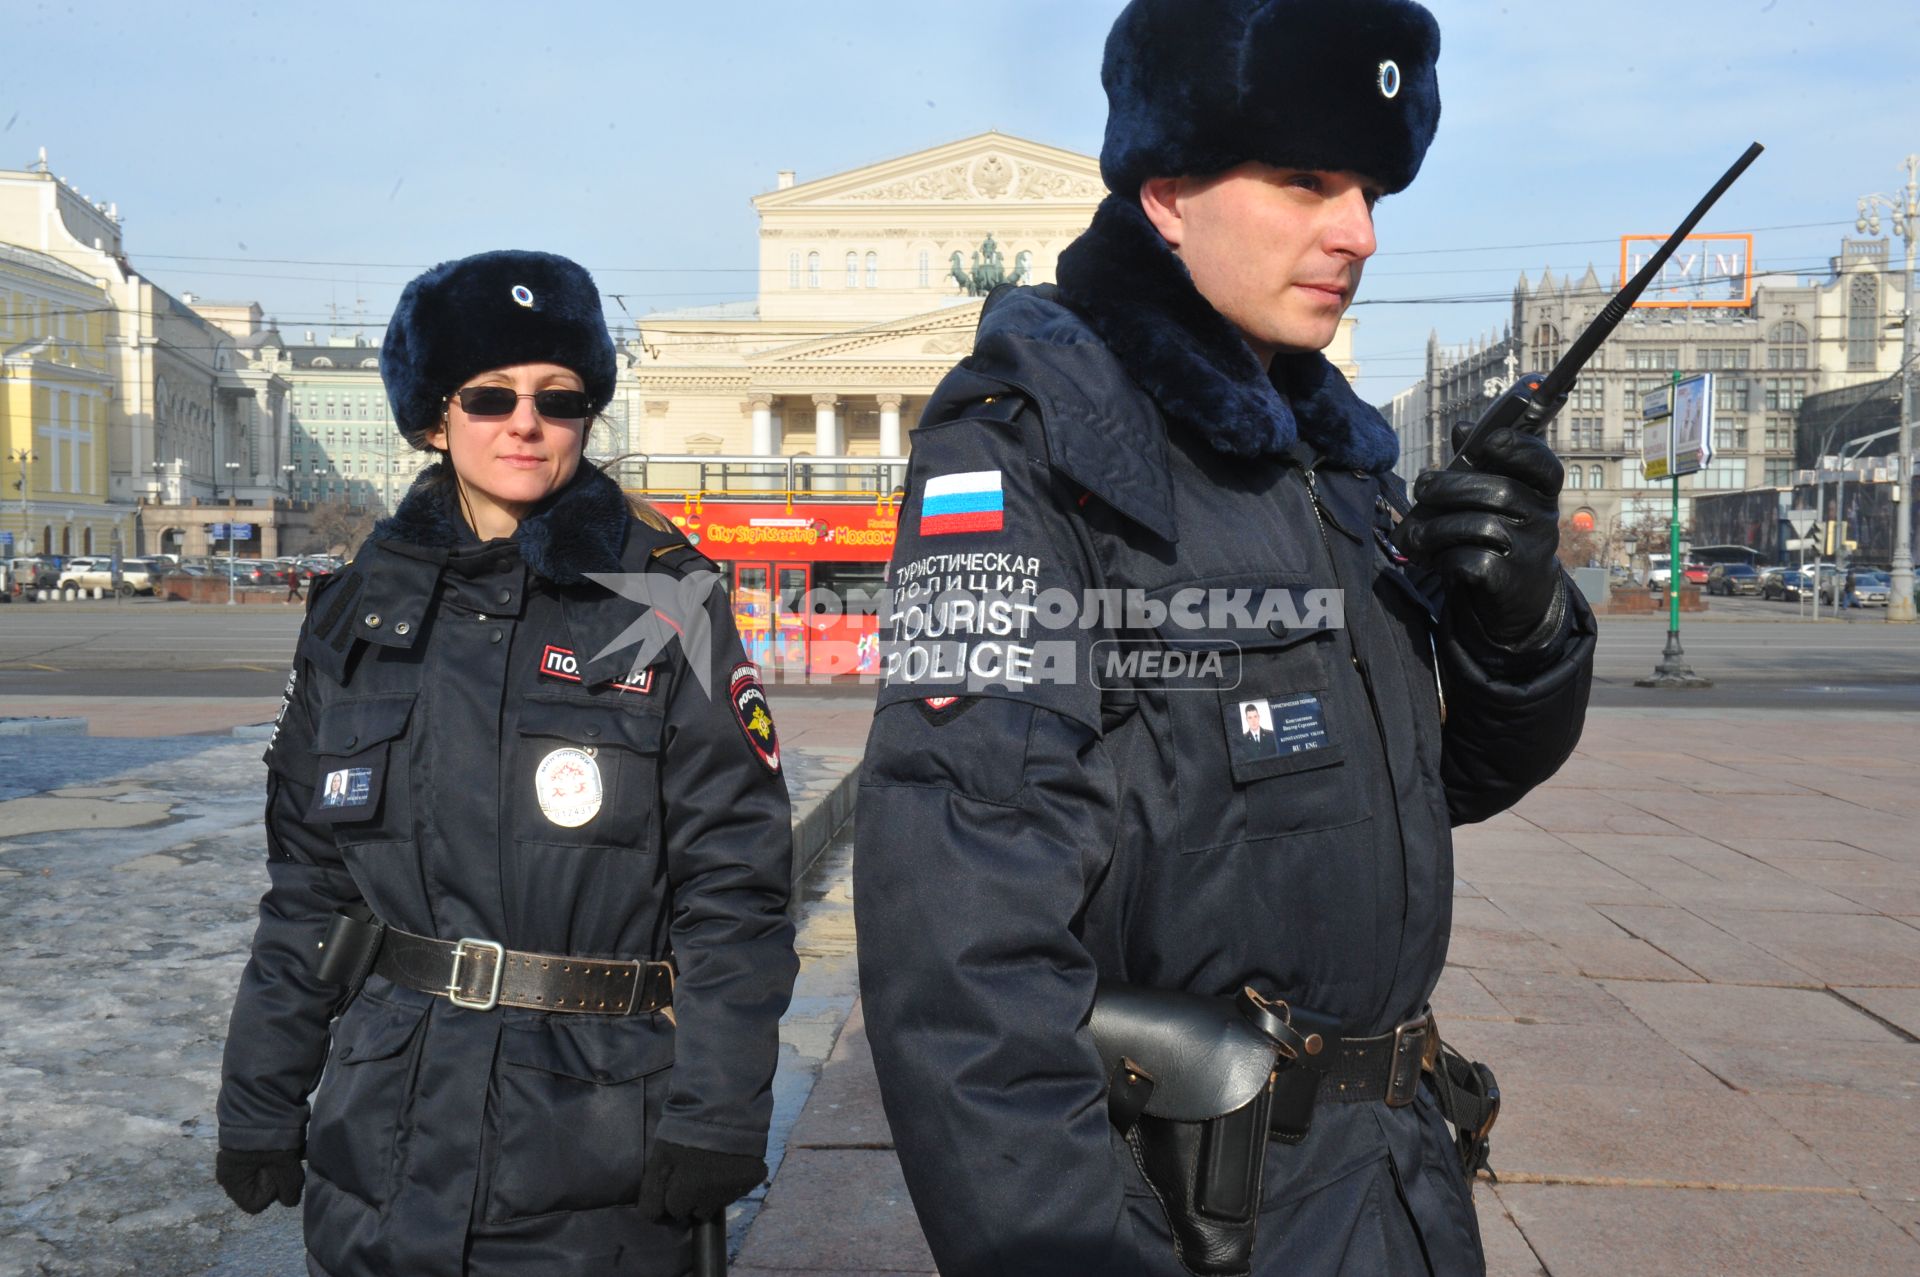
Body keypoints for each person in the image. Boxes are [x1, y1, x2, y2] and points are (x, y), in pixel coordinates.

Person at [853, 3, 1596, 1274]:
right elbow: (961, 940)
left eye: (1368, 187)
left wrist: (1520, 613)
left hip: (1393, 1185)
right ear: (1167, 191)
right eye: (1307, 180)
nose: (1356, 231)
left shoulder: (1333, 456)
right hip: (1198, 1211)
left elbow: (1446, 776)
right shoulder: (1040, 448)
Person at [215, 250, 798, 1277]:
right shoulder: (357, 612)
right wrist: (261, 1094)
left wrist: (719, 1112)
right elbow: (308, 888)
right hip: (384, 1144)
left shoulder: (669, 602)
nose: (523, 422)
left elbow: (735, 888)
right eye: (490, 395)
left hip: (594, 1151)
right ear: (436, 418)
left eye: (558, 398)